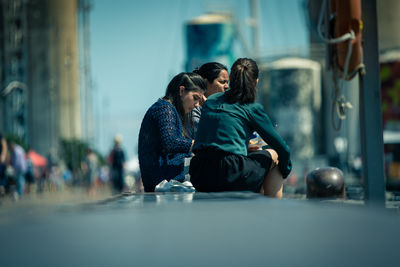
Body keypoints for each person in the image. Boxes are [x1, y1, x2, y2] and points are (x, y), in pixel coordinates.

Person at [189, 58, 292, 198]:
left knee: (257, 161)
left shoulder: (211, 101)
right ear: (256, 82)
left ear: (231, 80)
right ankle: (273, 209)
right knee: (275, 155)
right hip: (231, 172)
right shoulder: (252, 108)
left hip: (199, 173)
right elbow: (282, 148)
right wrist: (286, 169)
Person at [138, 72, 206, 192]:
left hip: (164, 178)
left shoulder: (168, 108)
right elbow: (170, 142)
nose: (196, 105)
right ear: (181, 91)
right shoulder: (164, 108)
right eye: (195, 98)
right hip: (161, 181)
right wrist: (199, 144)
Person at [186, 62, 229, 139]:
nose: (227, 86)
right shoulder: (193, 109)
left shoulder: (220, 108)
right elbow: (209, 137)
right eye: (222, 82)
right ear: (205, 83)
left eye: (227, 82)